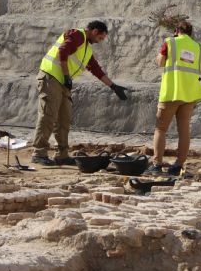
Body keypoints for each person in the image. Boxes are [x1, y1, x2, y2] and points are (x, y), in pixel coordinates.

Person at [31, 20, 128, 166]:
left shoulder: (86, 49)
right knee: (48, 115)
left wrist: (114, 87)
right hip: (51, 77)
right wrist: (65, 75)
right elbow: (62, 51)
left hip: (63, 82)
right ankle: (39, 153)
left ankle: (62, 155)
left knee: (64, 119)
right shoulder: (77, 35)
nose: (100, 41)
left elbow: (95, 69)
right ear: (95, 31)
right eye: (100, 38)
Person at [146, 21, 201, 176]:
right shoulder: (198, 48)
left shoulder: (170, 42)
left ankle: (157, 164)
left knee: (161, 129)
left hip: (171, 93)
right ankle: (178, 165)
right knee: (184, 131)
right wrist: (199, 68)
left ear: (176, 30)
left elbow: (160, 62)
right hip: (190, 95)